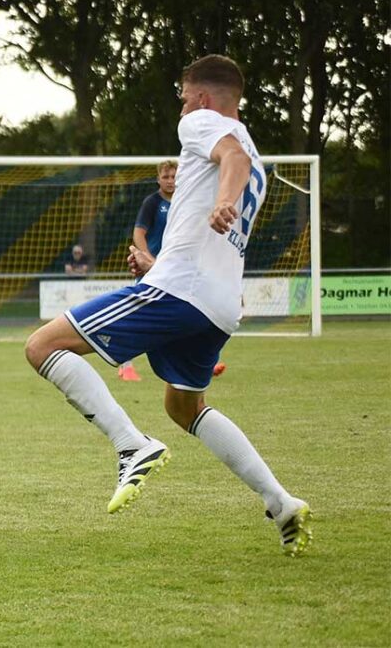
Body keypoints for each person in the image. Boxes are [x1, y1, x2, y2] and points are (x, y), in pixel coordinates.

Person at [23, 55, 311, 556]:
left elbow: (231, 163)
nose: (181, 107)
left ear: (201, 97)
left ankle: (131, 445)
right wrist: (156, 264)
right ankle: (281, 502)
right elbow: (224, 191)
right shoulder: (258, 159)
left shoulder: (203, 124)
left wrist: (223, 200)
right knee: (183, 406)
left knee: (42, 346)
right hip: (217, 305)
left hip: (181, 291)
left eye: (183, 97)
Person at [117, 160, 178, 382]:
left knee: (185, 314)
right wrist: (148, 259)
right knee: (137, 315)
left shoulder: (184, 201)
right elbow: (138, 233)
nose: (170, 181)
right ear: (158, 179)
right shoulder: (152, 202)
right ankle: (125, 365)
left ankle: (199, 363)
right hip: (151, 270)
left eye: (173, 176)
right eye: (166, 177)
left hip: (176, 269)